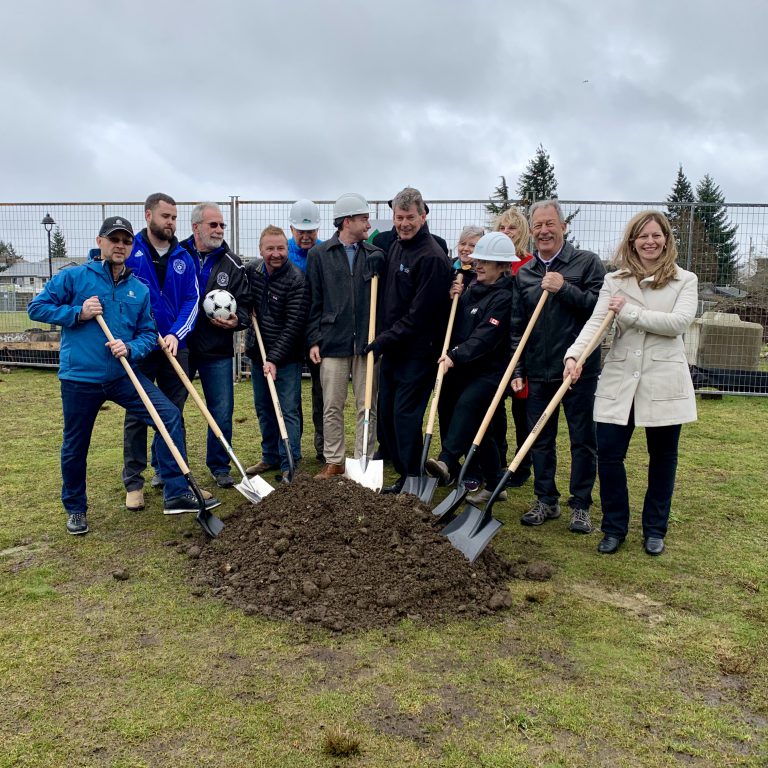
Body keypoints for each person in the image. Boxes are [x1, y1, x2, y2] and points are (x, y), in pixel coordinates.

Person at [27, 216, 220, 535]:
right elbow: (37, 308)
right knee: (76, 444)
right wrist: (78, 313)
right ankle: (75, 508)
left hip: (122, 374)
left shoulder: (137, 289)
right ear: (100, 241)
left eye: (126, 241)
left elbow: (148, 332)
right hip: (80, 378)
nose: (120, 245)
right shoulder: (75, 278)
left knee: (168, 415)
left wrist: (130, 348)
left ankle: (175, 492)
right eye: (113, 239)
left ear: (132, 246)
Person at [564, 211, 697, 556]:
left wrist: (629, 313)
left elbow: (678, 323)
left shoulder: (684, 280)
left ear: (666, 239)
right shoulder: (616, 280)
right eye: (643, 236)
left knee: (663, 457)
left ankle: (655, 529)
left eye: (656, 235)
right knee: (608, 454)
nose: (650, 242)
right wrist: (573, 356)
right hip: (620, 377)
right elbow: (596, 324)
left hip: (662, 379)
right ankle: (613, 527)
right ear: (632, 241)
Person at [510, 199, 605, 533]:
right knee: (540, 438)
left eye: (550, 224)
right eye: (537, 226)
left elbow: (599, 311)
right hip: (538, 369)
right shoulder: (525, 274)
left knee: (582, 440)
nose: (544, 231)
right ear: (532, 231)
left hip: (579, 369)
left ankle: (580, 505)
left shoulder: (587, 264)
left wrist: (564, 288)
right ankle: (545, 500)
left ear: (564, 227)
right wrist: (518, 370)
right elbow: (517, 326)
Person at [366, 187, 452, 493]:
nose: (404, 223)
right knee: (387, 412)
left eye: (410, 217)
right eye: (399, 217)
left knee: (405, 415)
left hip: (418, 351)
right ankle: (403, 471)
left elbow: (420, 316)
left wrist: (383, 340)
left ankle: (412, 477)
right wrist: (378, 258)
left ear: (423, 215)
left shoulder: (431, 257)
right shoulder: (398, 246)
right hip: (394, 350)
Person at [122, 193, 201, 511]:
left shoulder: (183, 256)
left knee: (172, 413)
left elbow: (191, 301)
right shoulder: (131, 251)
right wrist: (142, 333)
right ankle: (134, 482)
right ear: (148, 215)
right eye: (165, 216)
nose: (170, 223)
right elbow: (121, 295)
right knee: (138, 414)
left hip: (173, 347)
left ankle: (172, 481)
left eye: (174, 218)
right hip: (140, 347)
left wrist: (174, 334)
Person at [425, 232, 518, 503]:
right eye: (478, 260)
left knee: (466, 406)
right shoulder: (471, 291)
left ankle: (446, 460)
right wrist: (453, 298)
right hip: (467, 369)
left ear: (502, 267)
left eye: (486, 262)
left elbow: (484, 338)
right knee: (481, 428)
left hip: (492, 372)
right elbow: (455, 327)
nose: (478, 265)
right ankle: (494, 481)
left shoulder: (504, 297)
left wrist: (455, 355)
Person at [305, 193, 385, 479]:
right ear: (347, 221)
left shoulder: (374, 255)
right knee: (332, 405)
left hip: (367, 343)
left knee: (367, 406)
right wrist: (314, 339)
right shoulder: (319, 255)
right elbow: (312, 299)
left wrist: (380, 339)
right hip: (332, 341)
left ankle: (363, 459)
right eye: (364, 218)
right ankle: (335, 460)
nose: (368, 223)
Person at [180, 203, 250, 488]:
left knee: (221, 410)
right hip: (180, 346)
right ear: (196, 227)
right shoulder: (177, 254)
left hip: (217, 350)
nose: (220, 230)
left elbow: (246, 306)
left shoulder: (233, 263)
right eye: (213, 225)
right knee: (171, 408)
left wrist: (237, 321)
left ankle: (219, 466)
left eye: (222, 225)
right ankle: (168, 466)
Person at [244, 226, 308, 481]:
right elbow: (241, 297)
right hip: (258, 352)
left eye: (281, 248)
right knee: (264, 407)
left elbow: (294, 325)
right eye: (270, 248)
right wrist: (246, 309)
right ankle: (269, 456)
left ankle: (289, 461)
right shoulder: (252, 271)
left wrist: (275, 359)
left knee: (287, 409)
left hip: (288, 357)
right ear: (261, 250)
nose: (276, 254)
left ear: (287, 249)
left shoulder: (296, 279)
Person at [492, 207, 534, 488]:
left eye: (513, 229)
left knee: (523, 411)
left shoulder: (529, 264)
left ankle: (521, 465)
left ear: (522, 233)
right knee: (495, 411)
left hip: (521, 348)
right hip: (495, 346)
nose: (507, 233)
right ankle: (498, 461)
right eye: (502, 228)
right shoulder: (492, 264)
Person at [286, 199, 325, 462]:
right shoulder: (283, 252)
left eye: (310, 231)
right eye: (301, 231)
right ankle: (294, 448)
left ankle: (323, 446)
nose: (306, 236)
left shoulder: (324, 253)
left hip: (318, 335)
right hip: (289, 334)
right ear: (291, 229)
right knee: (291, 394)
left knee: (321, 392)